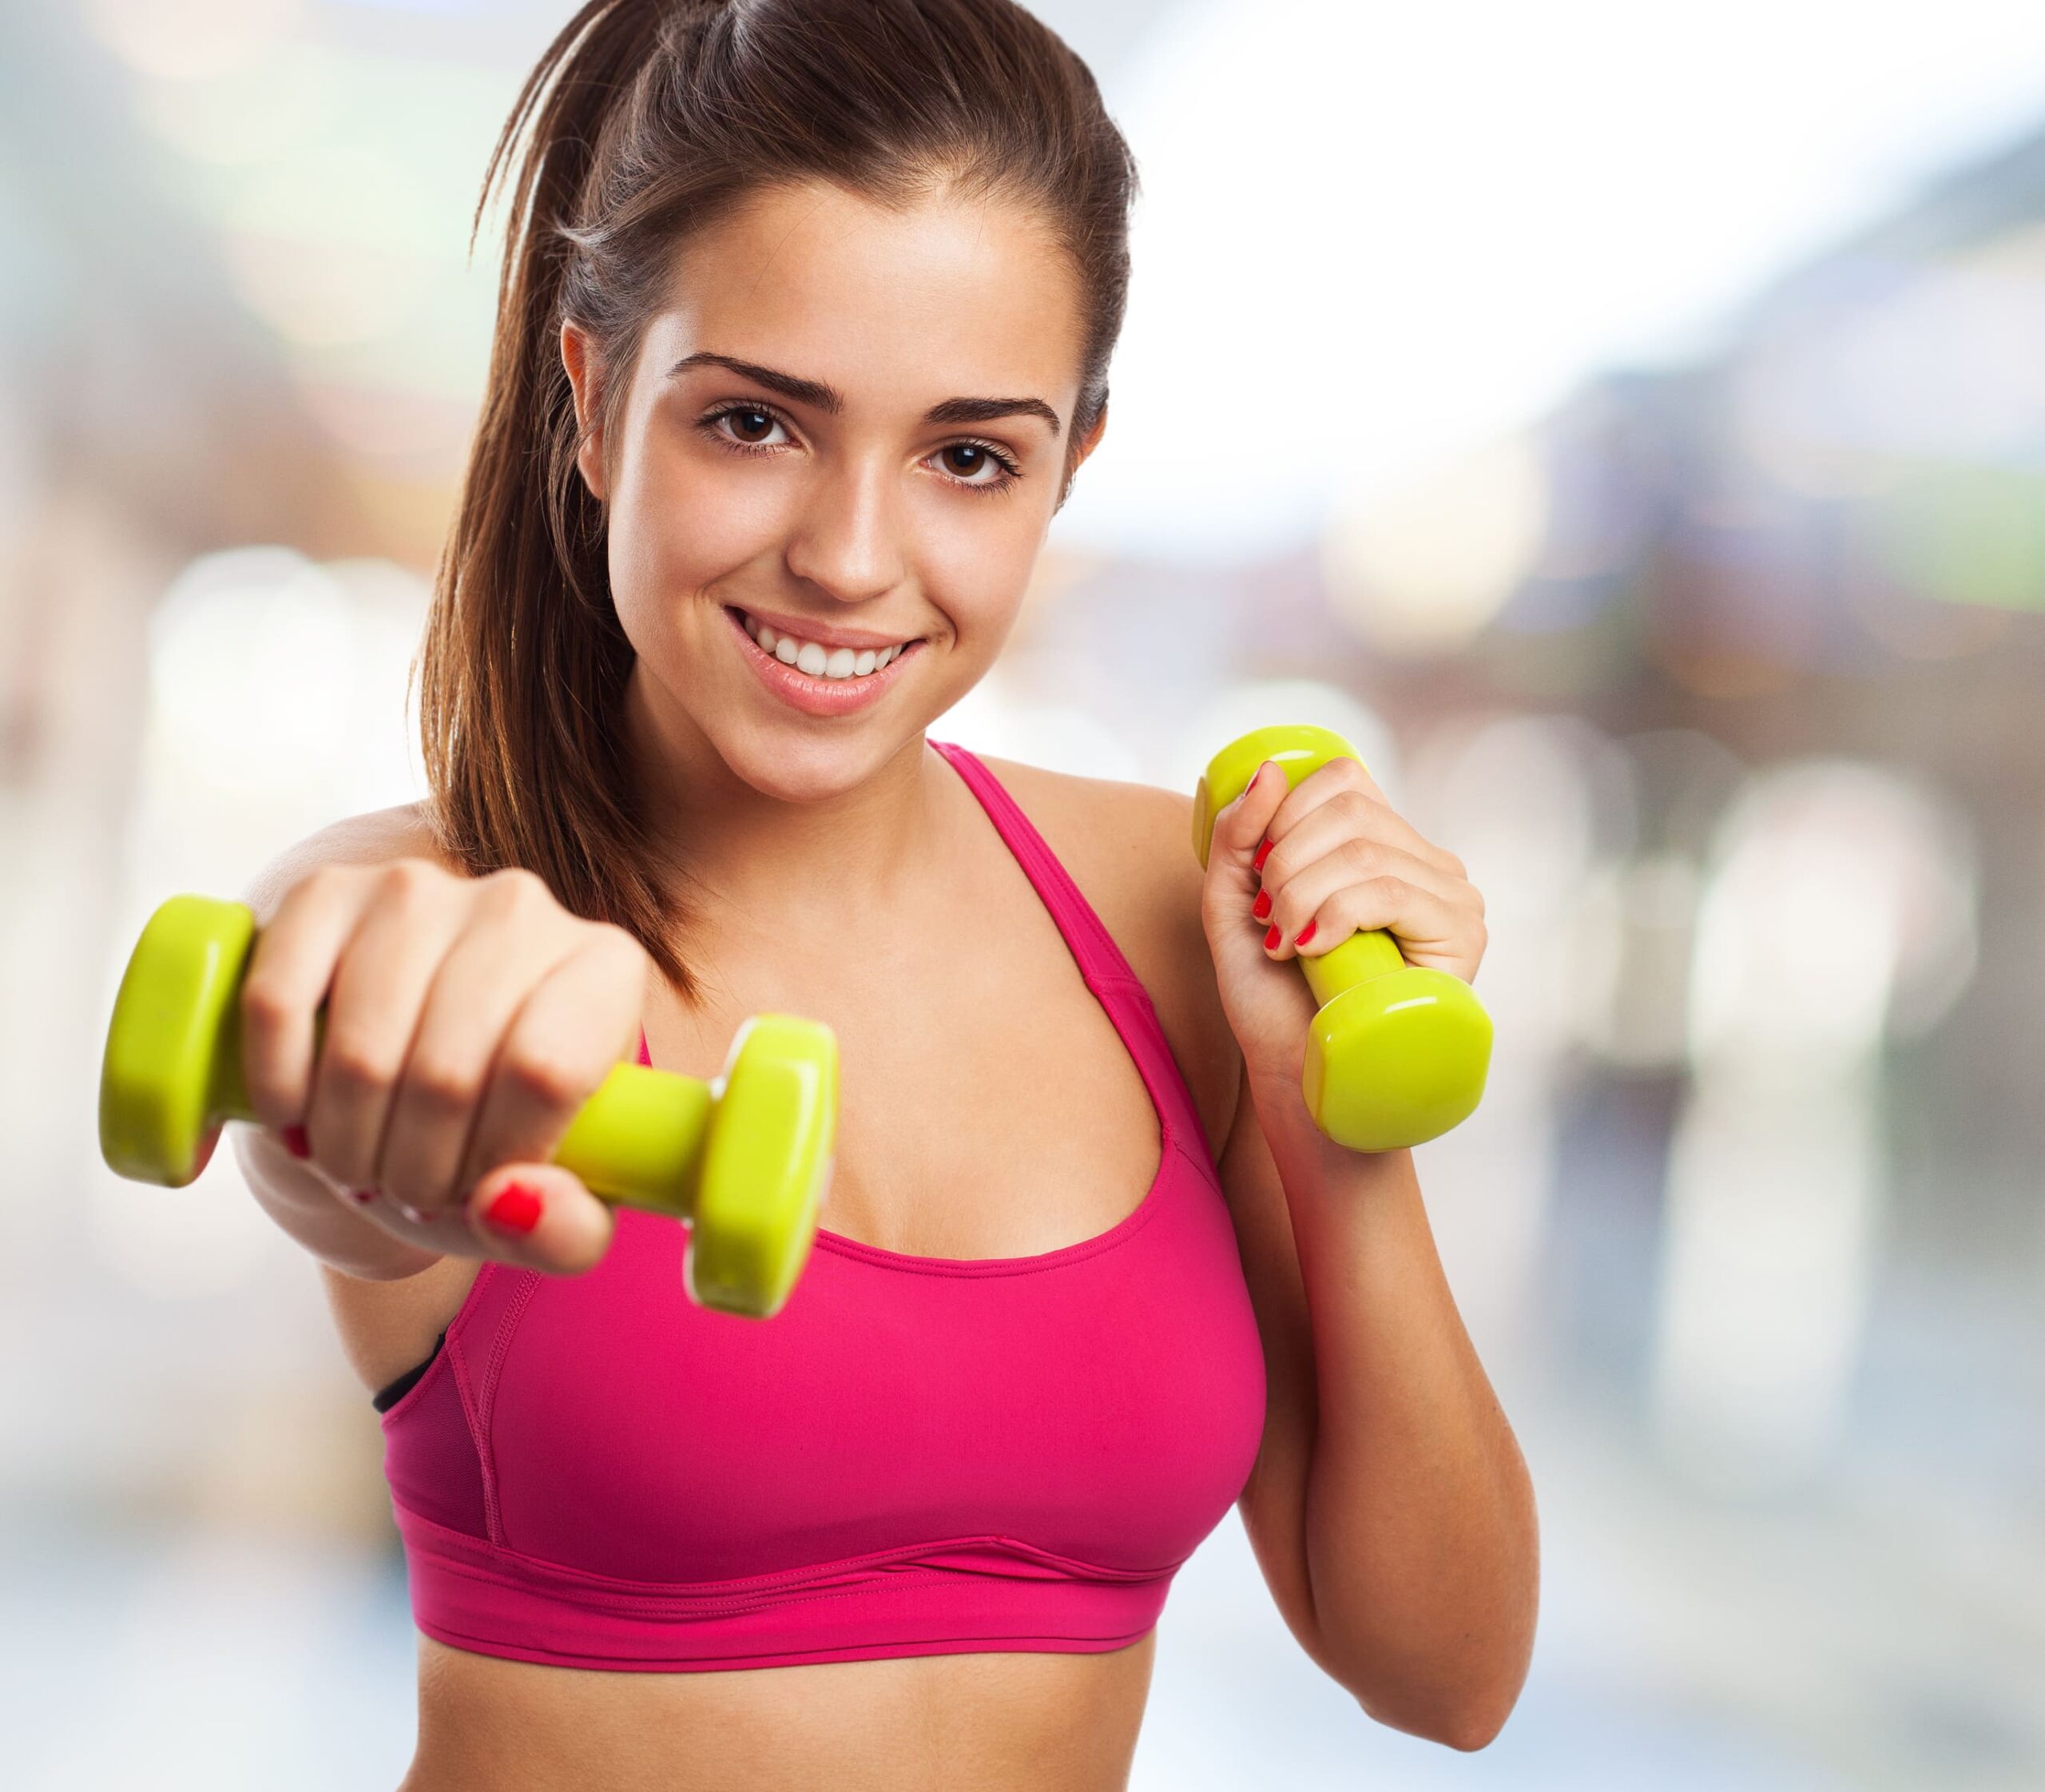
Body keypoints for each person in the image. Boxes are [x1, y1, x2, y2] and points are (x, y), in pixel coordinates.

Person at [229, 2, 1538, 1786]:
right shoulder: (428, 905)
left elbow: (1443, 1676)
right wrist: (363, 1126)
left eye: (967, 457)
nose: (849, 557)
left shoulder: (1172, 906)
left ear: (1068, 467)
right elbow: (338, 1114)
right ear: (595, 404)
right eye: (756, 423)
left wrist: (1329, 1124)